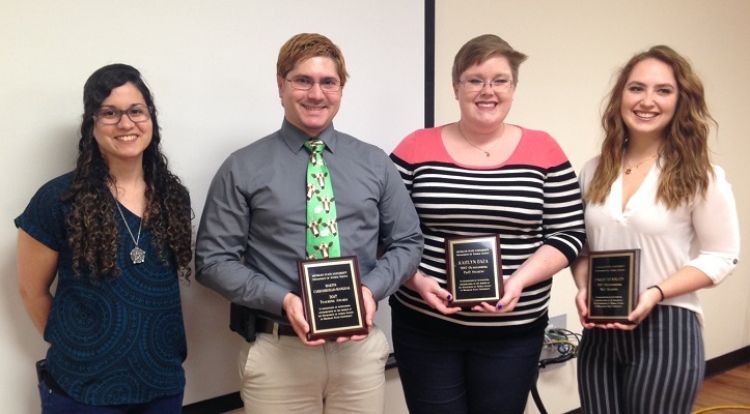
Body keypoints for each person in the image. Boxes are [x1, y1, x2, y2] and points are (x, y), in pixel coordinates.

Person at [195, 32, 423, 414]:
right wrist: (284, 301)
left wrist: (370, 291)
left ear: (341, 89)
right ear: (281, 84)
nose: (316, 94)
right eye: (303, 80)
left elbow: (408, 242)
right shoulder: (242, 167)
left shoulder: (374, 163)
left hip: (359, 351)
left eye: (328, 82)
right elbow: (212, 262)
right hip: (279, 353)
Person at [389, 34, 586, 414]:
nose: (487, 91)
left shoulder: (544, 150)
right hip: (425, 326)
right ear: (456, 87)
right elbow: (385, 231)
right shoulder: (415, 147)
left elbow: (568, 232)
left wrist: (519, 280)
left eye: (500, 80)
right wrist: (415, 280)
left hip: (513, 332)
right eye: (475, 79)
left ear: (513, 88)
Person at [15, 64, 193, 413]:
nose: (126, 124)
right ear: (91, 123)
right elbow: (31, 290)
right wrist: (77, 347)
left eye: (136, 111)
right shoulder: (57, 199)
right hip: (82, 390)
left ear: (151, 118)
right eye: (109, 113)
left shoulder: (173, 195)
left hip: (162, 384)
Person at [572, 45, 740, 414]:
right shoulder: (594, 169)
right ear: (620, 96)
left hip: (668, 325)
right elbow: (583, 249)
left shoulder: (702, 176)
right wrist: (584, 287)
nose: (647, 100)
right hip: (600, 329)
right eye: (636, 88)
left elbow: (722, 257)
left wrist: (654, 293)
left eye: (663, 90)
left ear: (681, 101)